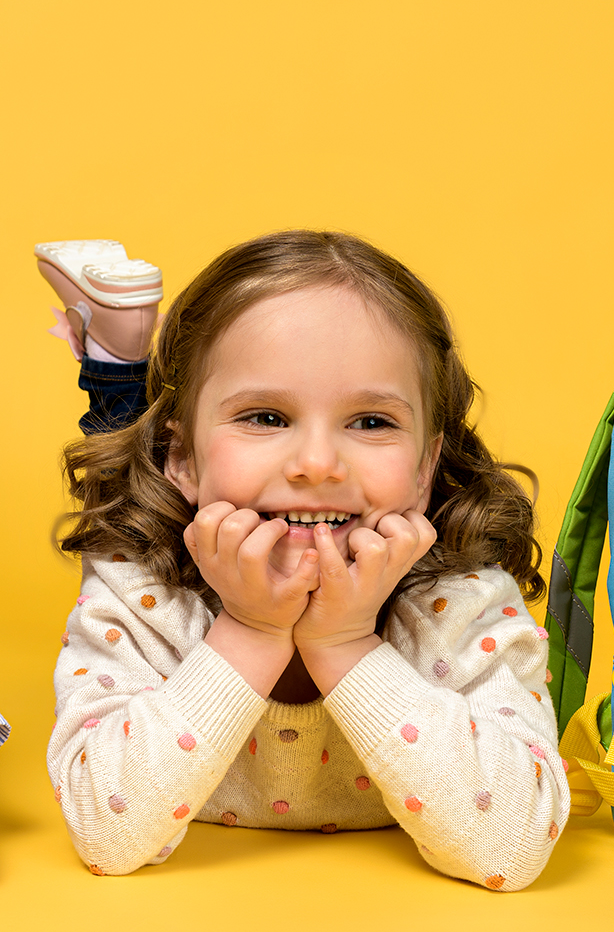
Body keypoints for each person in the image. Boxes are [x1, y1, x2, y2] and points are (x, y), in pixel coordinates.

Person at [42, 232, 568, 888]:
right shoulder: (140, 590)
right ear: (184, 459)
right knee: (120, 491)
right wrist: (249, 631)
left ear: (425, 468)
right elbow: (105, 834)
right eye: (265, 417)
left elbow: (512, 848)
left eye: (371, 422)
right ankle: (115, 352)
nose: (317, 465)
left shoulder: (464, 600)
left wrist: (346, 643)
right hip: (165, 522)